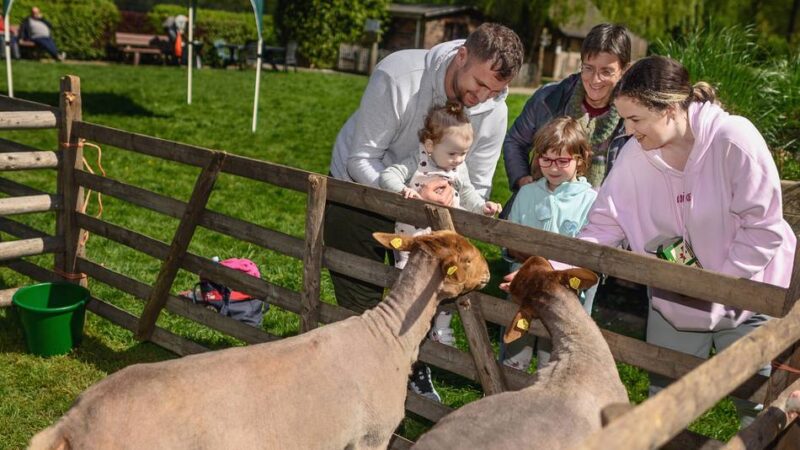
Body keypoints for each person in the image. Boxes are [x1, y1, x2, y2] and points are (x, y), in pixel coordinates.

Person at [504, 55, 796, 427]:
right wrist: (549, 271)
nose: (626, 129)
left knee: (758, 405)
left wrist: (713, 286)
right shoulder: (633, 155)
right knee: (665, 405)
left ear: (671, 109)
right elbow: (602, 228)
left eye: (635, 119)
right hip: (674, 300)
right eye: (624, 118)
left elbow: (763, 228)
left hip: (749, 295)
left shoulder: (733, 140)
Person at [325, 23, 523, 401]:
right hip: (360, 193)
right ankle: (361, 376)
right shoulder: (399, 75)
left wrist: (456, 201)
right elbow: (361, 159)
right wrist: (409, 194)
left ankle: (412, 368)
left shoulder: (493, 111)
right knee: (359, 294)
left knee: (419, 295)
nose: (482, 98)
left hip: (430, 214)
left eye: (495, 91)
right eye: (480, 84)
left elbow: (476, 184)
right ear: (462, 55)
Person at [379, 101, 502, 354]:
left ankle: (441, 329)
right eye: (453, 153)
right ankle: (407, 326)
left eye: (464, 153)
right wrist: (405, 190)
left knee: (450, 281)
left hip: (447, 239)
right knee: (412, 281)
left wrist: (483, 207)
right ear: (430, 146)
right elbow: (387, 175)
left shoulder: (459, 168)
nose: (458, 160)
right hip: (415, 237)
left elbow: (468, 194)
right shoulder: (416, 161)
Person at [501, 116, 597, 371]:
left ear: (581, 159)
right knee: (514, 351)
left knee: (554, 359)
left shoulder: (591, 201)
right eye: (546, 160)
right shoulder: (527, 194)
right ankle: (506, 398)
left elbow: (590, 255)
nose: (553, 168)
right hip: (523, 289)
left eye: (563, 161)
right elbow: (509, 242)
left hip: (566, 297)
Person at [502, 23, 631, 202]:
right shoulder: (548, 98)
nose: (595, 79)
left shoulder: (632, 118)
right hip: (539, 205)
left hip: (600, 219)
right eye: (588, 68)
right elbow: (515, 141)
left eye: (606, 71)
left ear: (624, 71)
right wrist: (523, 181)